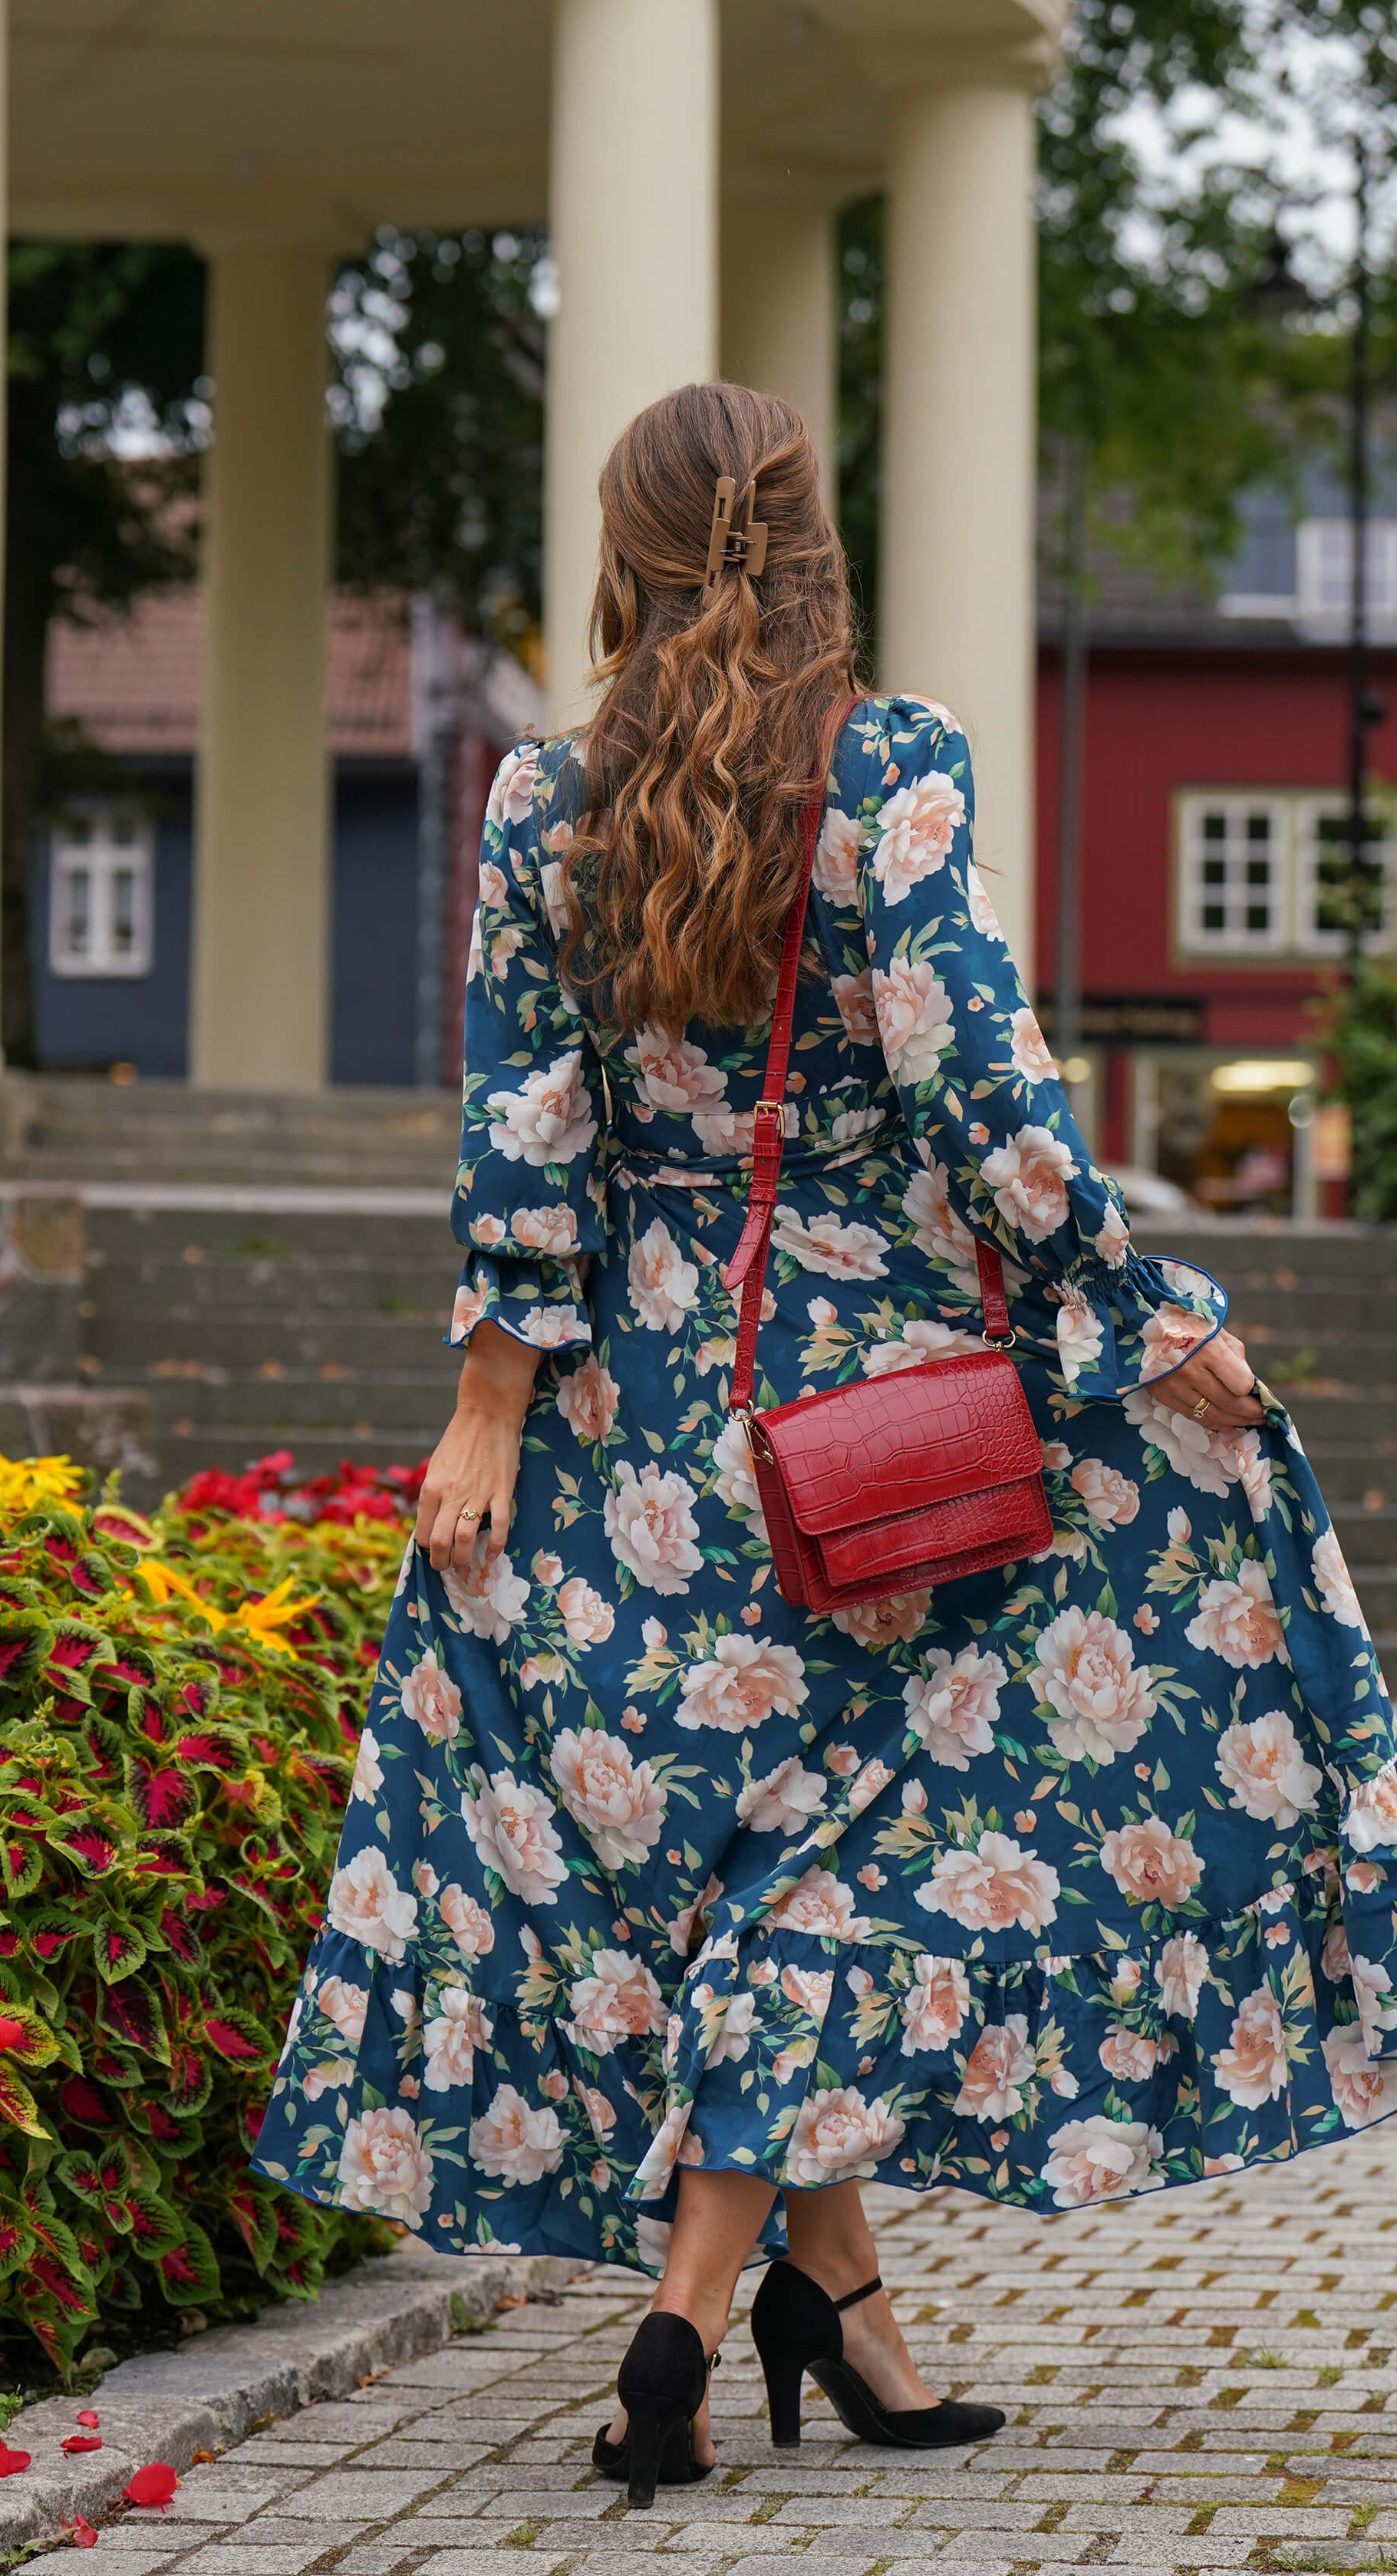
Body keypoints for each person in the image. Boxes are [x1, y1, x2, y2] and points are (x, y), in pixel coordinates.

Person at [253, 381, 1397, 2507]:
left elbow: (527, 1119)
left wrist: (492, 1400)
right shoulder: (892, 766)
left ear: (626, 544)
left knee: (732, 1865)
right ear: (811, 555)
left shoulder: (539, 796)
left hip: (624, 1423)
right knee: (840, 1878)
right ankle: (686, 2326)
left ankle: (839, 2319)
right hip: (873, 1418)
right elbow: (986, 1100)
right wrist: (1160, 1326)